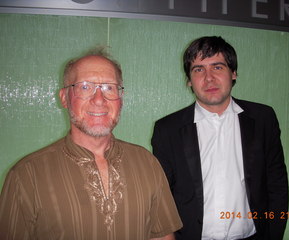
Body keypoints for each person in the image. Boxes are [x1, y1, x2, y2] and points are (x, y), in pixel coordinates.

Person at [0, 48, 182, 240]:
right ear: (64, 98)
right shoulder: (26, 175)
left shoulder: (147, 163)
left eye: (109, 87)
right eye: (85, 87)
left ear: (121, 99)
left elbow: (162, 236)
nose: (98, 99)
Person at [151, 36, 288, 240]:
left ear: (233, 73)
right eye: (198, 69)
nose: (208, 78)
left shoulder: (263, 119)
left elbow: (277, 185)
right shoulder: (167, 129)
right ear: (189, 80)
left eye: (217, 67)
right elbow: (161, 198)